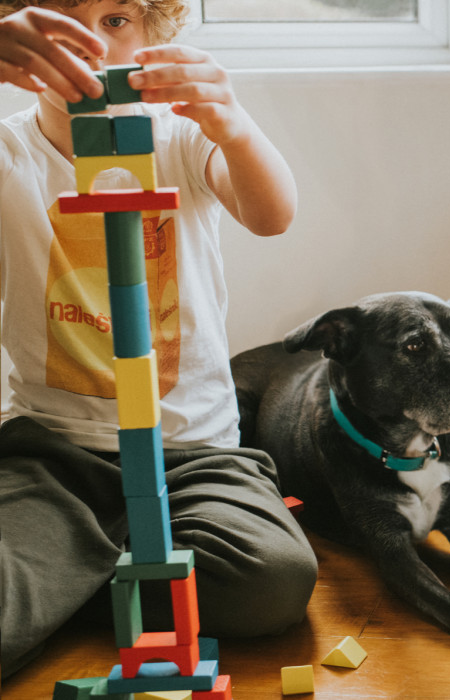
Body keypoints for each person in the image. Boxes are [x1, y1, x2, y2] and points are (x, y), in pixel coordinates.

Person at [0, 1, 316, 678]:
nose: (89, 46)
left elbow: (272, 214)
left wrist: (231, 124)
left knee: (273, 582)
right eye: (61, 25)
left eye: (115, 21)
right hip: (54, 452)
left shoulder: (180, 137)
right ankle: (93, 568)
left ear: (152, 34)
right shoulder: (10, 152)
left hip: (193, 450)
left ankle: (73, 576)